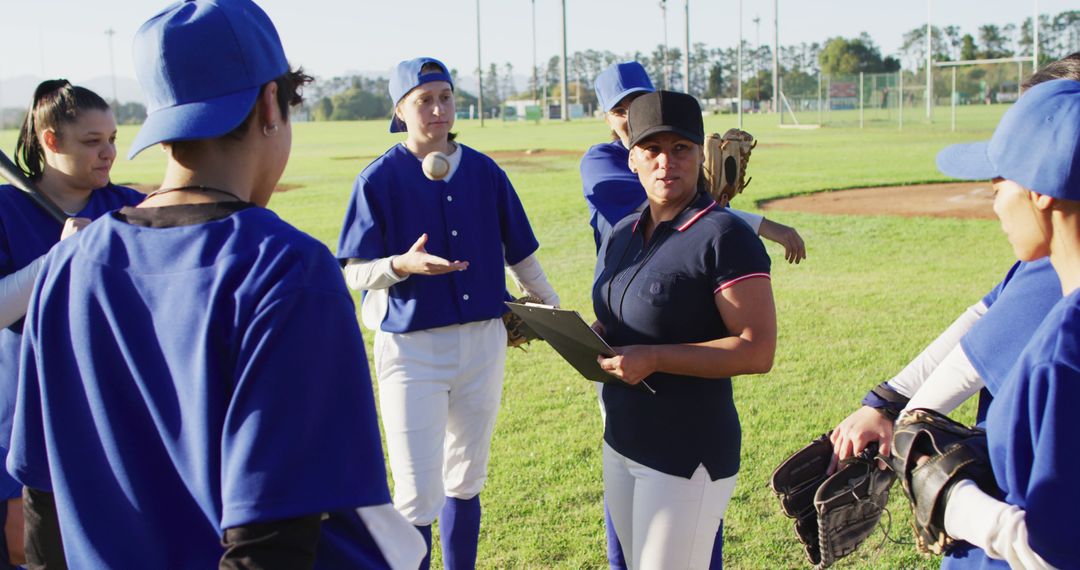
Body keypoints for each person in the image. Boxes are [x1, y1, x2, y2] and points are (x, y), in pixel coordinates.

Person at [6, 1, 423, 568]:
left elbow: (43, 508)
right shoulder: (285, 268)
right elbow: (271, 548)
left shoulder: (64, 268)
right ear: (271, 104)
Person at [337, 57, 559, 569]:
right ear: (400, 109)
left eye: (445, 97)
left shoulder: (483, 170)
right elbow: (353, 272)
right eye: (424, 100)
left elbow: (520, 253)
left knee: (467, 479)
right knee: (416, 493)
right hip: (412, 352)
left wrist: (553, 309)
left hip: (483, 342)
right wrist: (399, 265)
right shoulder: (378, 179)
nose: (438, 109)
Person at [829, 53, 1080, 474]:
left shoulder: (1059, 267)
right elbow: (983, 315)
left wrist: (911, 447)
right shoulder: (1050, 254)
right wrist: (888, 401)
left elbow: (1045, 531)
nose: (993, 197)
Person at [592, 90, 776, 569]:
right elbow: (620, 316)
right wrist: (588, 335)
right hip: (623, 437)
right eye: (652, 150)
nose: (665, 162)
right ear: (632, 158)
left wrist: (654, 358)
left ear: (701, 156)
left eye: (681, 149)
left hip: (686, 450)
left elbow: (756, 352)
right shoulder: (625, 231)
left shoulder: (725, 236)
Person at [926, 77, 1080, 569]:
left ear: (1040, 192)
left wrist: (958, 505)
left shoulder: (1063, 349)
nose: (994, 205)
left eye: (999, 185)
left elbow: (1057, 551)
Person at [0, 79, 143, 567]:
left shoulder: (127, 207)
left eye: (112, 139)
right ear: (50, 141)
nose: (108, 153)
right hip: (23, 409)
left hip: (108, 410)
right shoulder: (6, 209)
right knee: (25, 543)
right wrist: (57, 259)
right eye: (91, 141)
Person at [582, 61, 806, 263]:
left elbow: (712, 219)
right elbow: (672, 210)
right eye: (619, 111)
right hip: (626, 275)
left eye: (639, 103)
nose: (631, 116)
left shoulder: (686, 153)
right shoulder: (600, 161)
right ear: (608, 120)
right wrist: (763, 225)